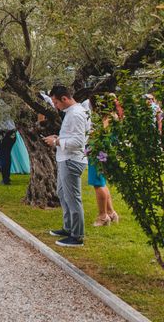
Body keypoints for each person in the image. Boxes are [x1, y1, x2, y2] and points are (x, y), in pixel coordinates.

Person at [43, 85, 89, 247]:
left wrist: (56, 141)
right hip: (65, 158)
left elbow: (78, 142)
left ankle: (77, 236)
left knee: (72, 198)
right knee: (63, 194)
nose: (55, 106)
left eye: (56, 102)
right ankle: (68, 227)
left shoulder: (76, 114)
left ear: (64, 99)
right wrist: (59, 137)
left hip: (71, 160)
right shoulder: (72, 113)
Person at [86, 96, 119, 227]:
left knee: (98, 184)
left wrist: (93, 137)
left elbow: (104, 138)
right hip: (103, 153)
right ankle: (111, 213)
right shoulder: (112, 116)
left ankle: (102, 216)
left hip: (100, 153)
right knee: (101, 183)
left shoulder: (107, 118)